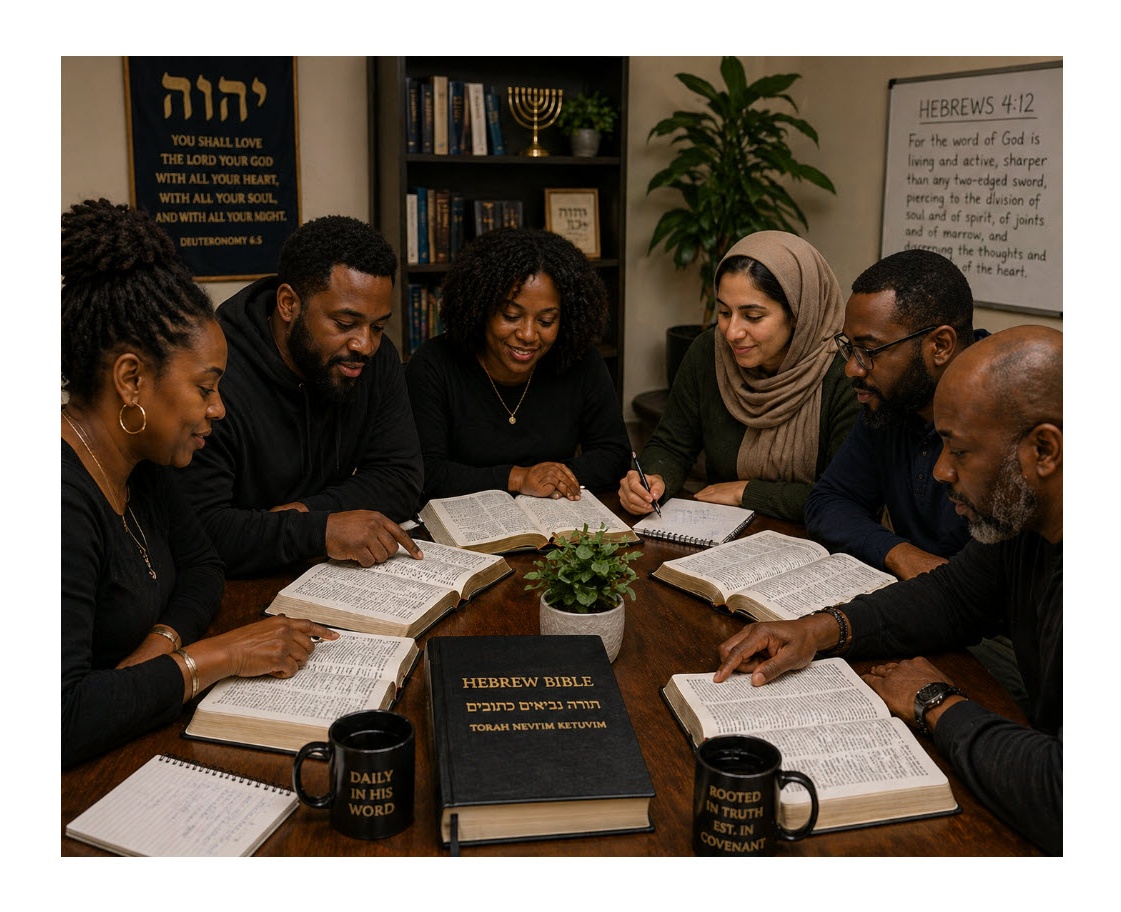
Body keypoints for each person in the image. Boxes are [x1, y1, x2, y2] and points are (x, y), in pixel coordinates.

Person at [714, 326, 1062, 855]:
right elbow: (952, 597)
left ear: (1044, 450)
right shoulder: (1026, 520)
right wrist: (817, 630)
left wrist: (936, 701)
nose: (941, 470)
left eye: (960, 450)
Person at [62, 199, 337, 768]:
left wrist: (158, 648)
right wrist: (219, 656)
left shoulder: (144, 462)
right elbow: (62, 720)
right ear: (131, 379)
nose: (218, 409)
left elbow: (203, 567)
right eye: (205, 388)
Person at [802, 249, 1024, 706]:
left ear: (940, 345)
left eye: (869, 350)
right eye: (848, 348)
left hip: (1000, 640)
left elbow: (982, 599)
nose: (852, 368)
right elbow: (828, 501)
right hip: (921, 606)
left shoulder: (1009, 415)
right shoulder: (890, 403)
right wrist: (901, 554)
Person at [178, 215, 424, 577]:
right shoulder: (216, 375)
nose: (365, 345)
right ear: (288, 304)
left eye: (378, 326)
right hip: (234, 584)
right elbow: (202, 530)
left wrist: (306, 516)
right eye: (345, 324)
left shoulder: (374, 359)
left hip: (330, 572)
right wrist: (322, 531)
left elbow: (401, 478)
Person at [618, 230, 858, 523]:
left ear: (798, 314)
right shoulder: (709, 352)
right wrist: (652, 479)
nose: (732, 333)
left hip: (814, 538)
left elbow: (845, 498)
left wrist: (745, 492)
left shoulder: (847, 373)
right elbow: (672, 444)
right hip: (719, 530)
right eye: (723, 312)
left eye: (752, 316)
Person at [405, 228, 631, 501]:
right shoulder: (434, 364)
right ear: (480, 309)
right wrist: (518, 478)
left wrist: (551, 478)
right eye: (511, 316)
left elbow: (614, 455)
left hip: (554, 517)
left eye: (546, 321)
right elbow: (426, 473)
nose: (528, 335)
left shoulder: (580, 360)